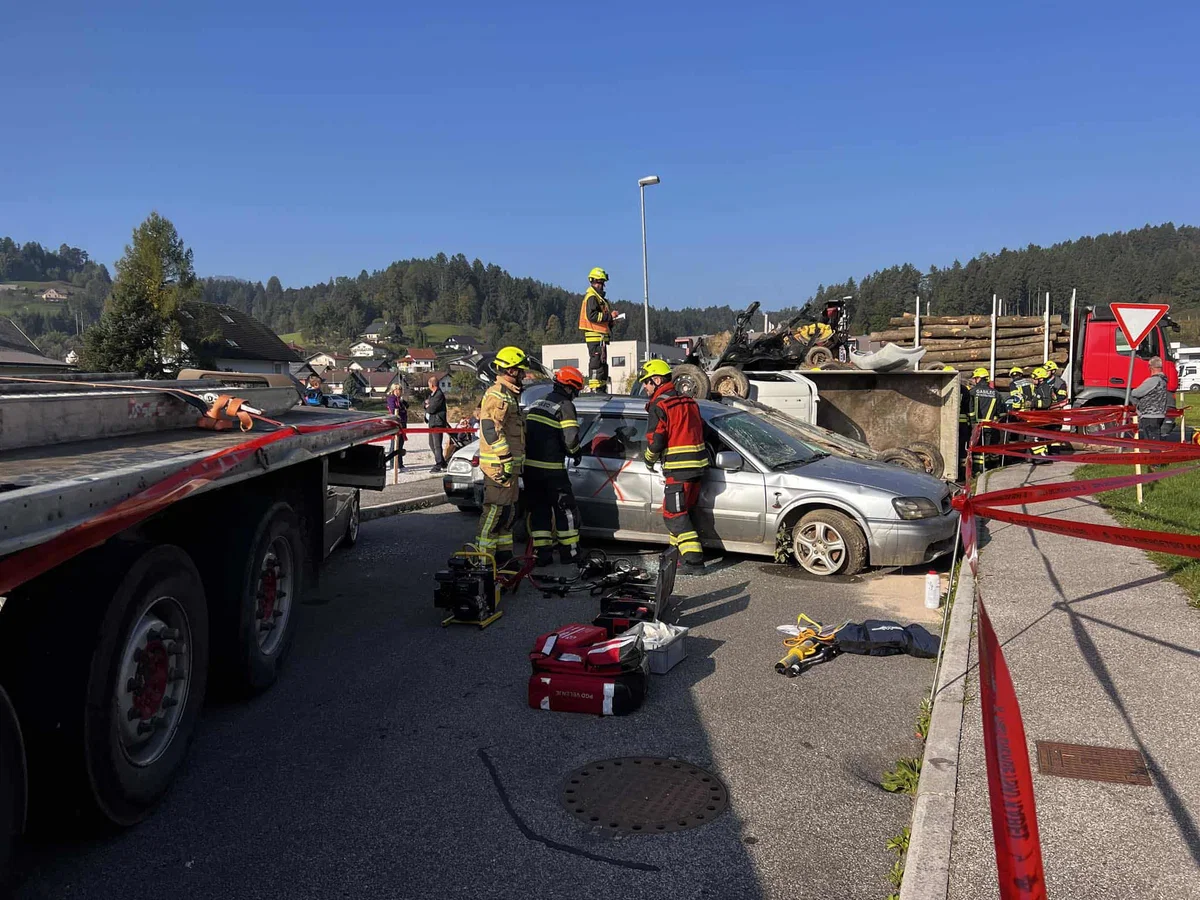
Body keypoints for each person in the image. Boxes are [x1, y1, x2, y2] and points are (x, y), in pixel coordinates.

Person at [639, 358, 709, 570]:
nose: (644, 386)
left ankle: (693, 561)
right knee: (682, 511)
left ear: (657, 380)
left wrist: (649, 459)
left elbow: (657, 439)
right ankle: (674, 556)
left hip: (678, 470)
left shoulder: (660, 405)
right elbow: (701, 429)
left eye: (647, 382)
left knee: (673, 515)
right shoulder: (689, 401)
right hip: (698, 468)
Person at [524, 366, 585, 566]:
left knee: (539, 511)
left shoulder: (537, 403)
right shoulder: (565, 405)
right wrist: (576, 454)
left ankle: (543, 555)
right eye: (576, 391)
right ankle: (570, 553)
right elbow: (570, 439)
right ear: (570, 388)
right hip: (552, 470)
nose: (575, 395)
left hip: (531, 471)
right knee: (565, 509)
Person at [476, 346, 528, 565]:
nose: (524, 375)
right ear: (512, 371)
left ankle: (504, 556)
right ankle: (483, 559)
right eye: (521, 371)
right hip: (499, 467)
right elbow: (491, 429)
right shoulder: (497, 394)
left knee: (508, 513)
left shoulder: (509, 394)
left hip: (509, 467)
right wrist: (505, 459)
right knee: (495, 512)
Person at [578, 267, 623, 393]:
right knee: (596, 363)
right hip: (594, 336)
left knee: (602, 364)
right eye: (599, 282)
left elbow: (600, 318)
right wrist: (610, 316)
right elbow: (592, 316)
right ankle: (595, 388)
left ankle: (601, 387)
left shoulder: (598, 297)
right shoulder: (592, 297)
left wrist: (611, 322)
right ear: (592, 281)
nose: (601, 285)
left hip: (600, 337)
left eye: (602, 283)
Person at [965, 368, 1000, 468]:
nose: (974, 380)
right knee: (986, 447)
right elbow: (1000, 412)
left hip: (976, 426)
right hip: (990, 426)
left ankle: (977, 470)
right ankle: (988, 467)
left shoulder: (972, 392)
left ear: (979, 378)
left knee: (977, 448)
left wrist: (971, 422)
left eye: (975, 378)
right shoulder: (995, 393)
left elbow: (969, 409)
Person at [1131, 356, 1168, 442]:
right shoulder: (1163, 380)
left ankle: (1156, 455)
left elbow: (1136, 393)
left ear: (1150, 367)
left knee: (1152, 443)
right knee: (1155, 441)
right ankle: (1156, 455)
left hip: (1150, 415)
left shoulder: (1153, 380)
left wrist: (1131, 390)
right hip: (1159, 414)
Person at [424, 375, 448, 473]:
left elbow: (432, 408)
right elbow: (425, 404)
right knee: (431, 444)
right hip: (432, 422)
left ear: (432, 384)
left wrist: (428, 406)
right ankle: (442, 462)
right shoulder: (432, 394)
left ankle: (438, 464)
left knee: (437, 444)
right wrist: (427, 405)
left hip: (437, 422)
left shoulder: (439, 395)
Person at [386, 383, 407, 471]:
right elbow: (394, 409)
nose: (400, 391)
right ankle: (392, 465)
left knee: (401, 444)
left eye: (401, 389)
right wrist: (402, 409)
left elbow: (406, 407)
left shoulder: (400, 399)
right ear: (394, 390)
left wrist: (403, 403)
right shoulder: (391, 399)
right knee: (394, 444)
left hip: (403, 422)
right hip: (395, 423)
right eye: (398, 389)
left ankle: (400, 464)